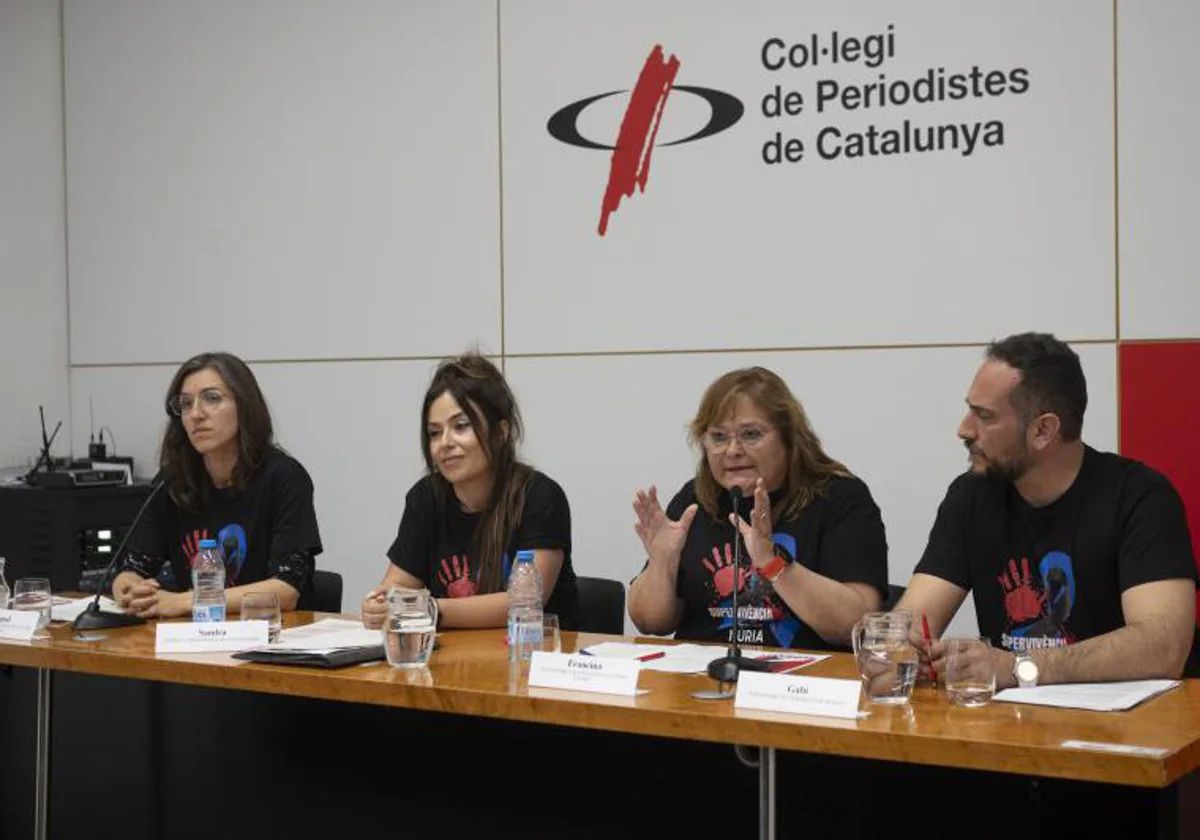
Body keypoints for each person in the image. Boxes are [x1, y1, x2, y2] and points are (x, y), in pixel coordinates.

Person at [899, 332, 1198, 687]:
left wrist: (1018, 668)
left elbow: (1164, 648)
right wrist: (896, 652)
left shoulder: (1140, 497)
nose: (964, 429)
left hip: (1132, 728)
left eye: (984, 416)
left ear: (1043, 430)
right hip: (1018, 726)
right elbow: (912, 624)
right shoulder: (971, 495)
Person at [628, 366, 888, 649]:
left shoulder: (839, 497)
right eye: (718, 437)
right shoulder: (696, 498)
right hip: (701, 679)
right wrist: (662, 562)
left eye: (750, 434)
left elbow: (856, 624)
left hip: (802, 683)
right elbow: (650, 622)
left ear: (789, 438)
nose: (732, 450)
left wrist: (773, 564)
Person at [361, 354, 576, 630]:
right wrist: (380, 605)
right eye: (434, 433)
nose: (445, 443)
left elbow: (525, 602)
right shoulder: (426, 497)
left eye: (461, 426)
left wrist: (430, 610)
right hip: (451, 662)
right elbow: (396, 588)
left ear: (501, 433)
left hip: (530, 659)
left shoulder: (539, 496)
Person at [112, 352, 322, 617]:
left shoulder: (284, 477)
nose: (196, 414)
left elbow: (287, 589)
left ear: (244, 407)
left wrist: (186, 601)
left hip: (274, 640)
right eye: (186, 404)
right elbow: (131, 570)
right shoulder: (172, 482)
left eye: (212, 398)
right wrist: (131, 590)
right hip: (196, 638)